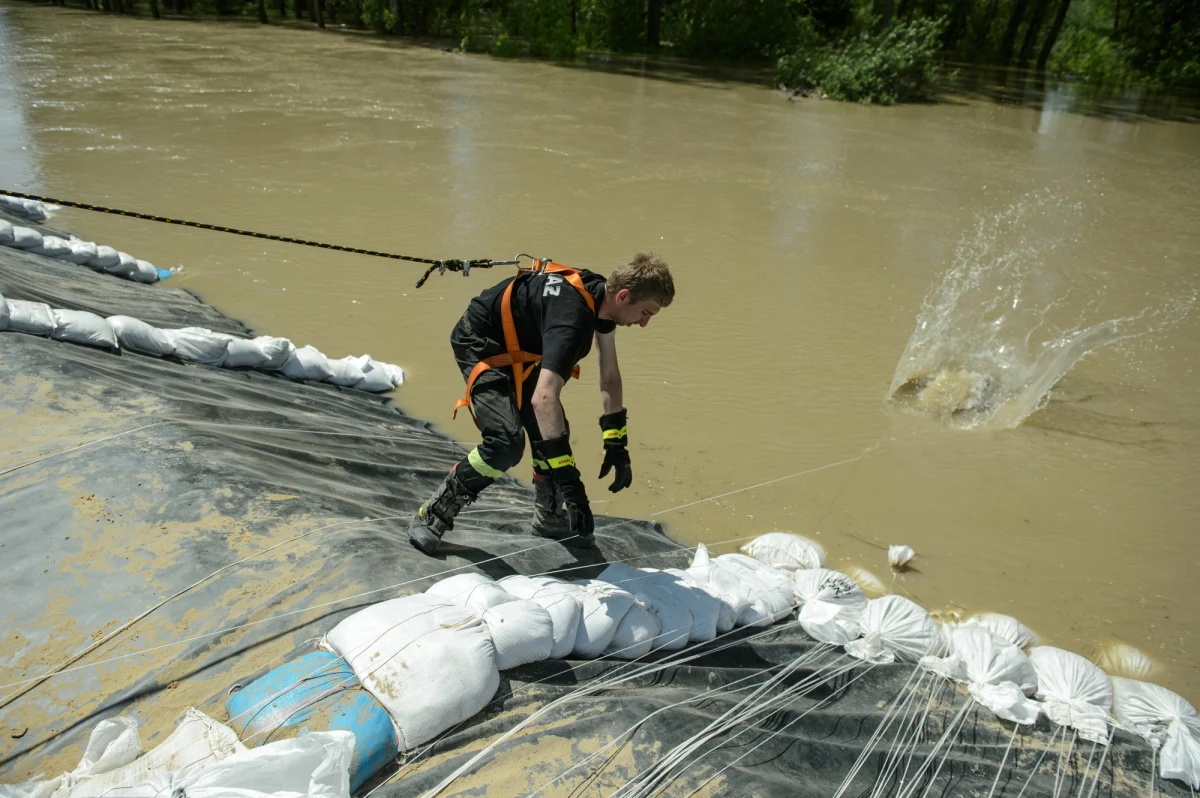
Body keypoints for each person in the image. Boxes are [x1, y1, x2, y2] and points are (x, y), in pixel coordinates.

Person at [407, 252, 676, 556]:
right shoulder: (572, 322)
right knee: (506, 442)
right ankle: (434, 514)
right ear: (625, 296)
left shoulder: (602, 298)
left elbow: (609, 375)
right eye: (646, 313)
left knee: (551, 432)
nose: (644, 323)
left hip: (520, 348)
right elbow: (544, 398)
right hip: (480, 342)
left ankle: (548, 518)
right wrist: (573, 487)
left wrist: (616, 442)